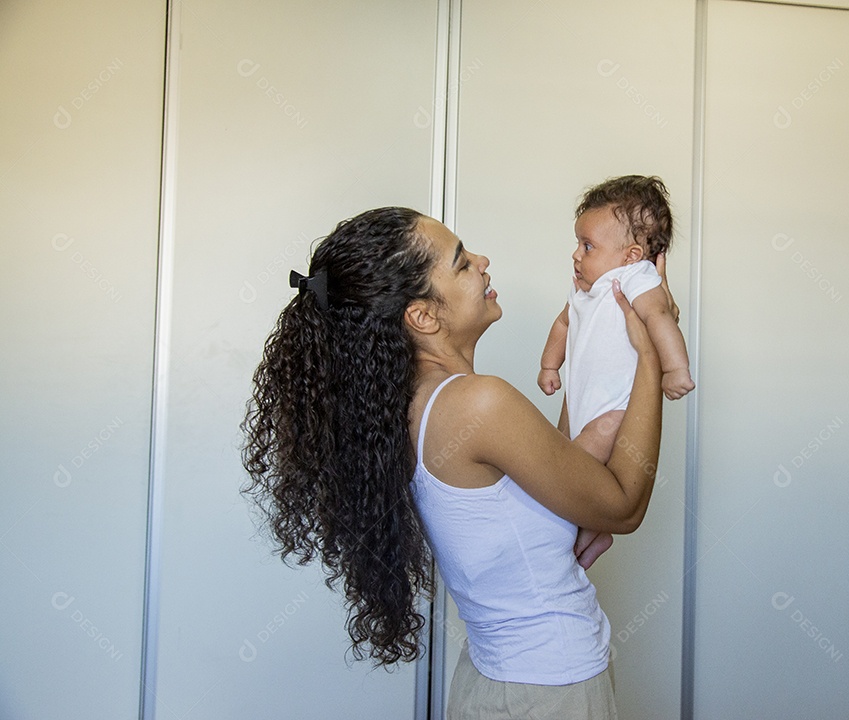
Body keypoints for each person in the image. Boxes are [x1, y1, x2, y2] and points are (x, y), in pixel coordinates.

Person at [240, 206, 668, 718]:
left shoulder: (409, 404)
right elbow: (621, 506)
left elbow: (562, 470)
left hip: (499, 682)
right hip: (548, 691)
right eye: (463, 263)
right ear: (422, 314)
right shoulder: (476, 403)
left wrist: (597, 341)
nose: (484, 262)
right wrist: (652, 356)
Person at [538, 176, 694, 569]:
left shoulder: (634, 278)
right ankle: (592, 534)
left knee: (569, 468)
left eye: (588, 245)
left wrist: (675, 369)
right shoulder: (584, 289)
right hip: (583, 399)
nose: (576, 254)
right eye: (578, 243)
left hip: (615, 407)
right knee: (583, 471)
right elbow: (562, 325)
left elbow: (660, 317)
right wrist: (549, 365)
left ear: (631, 254)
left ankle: (576, 535)